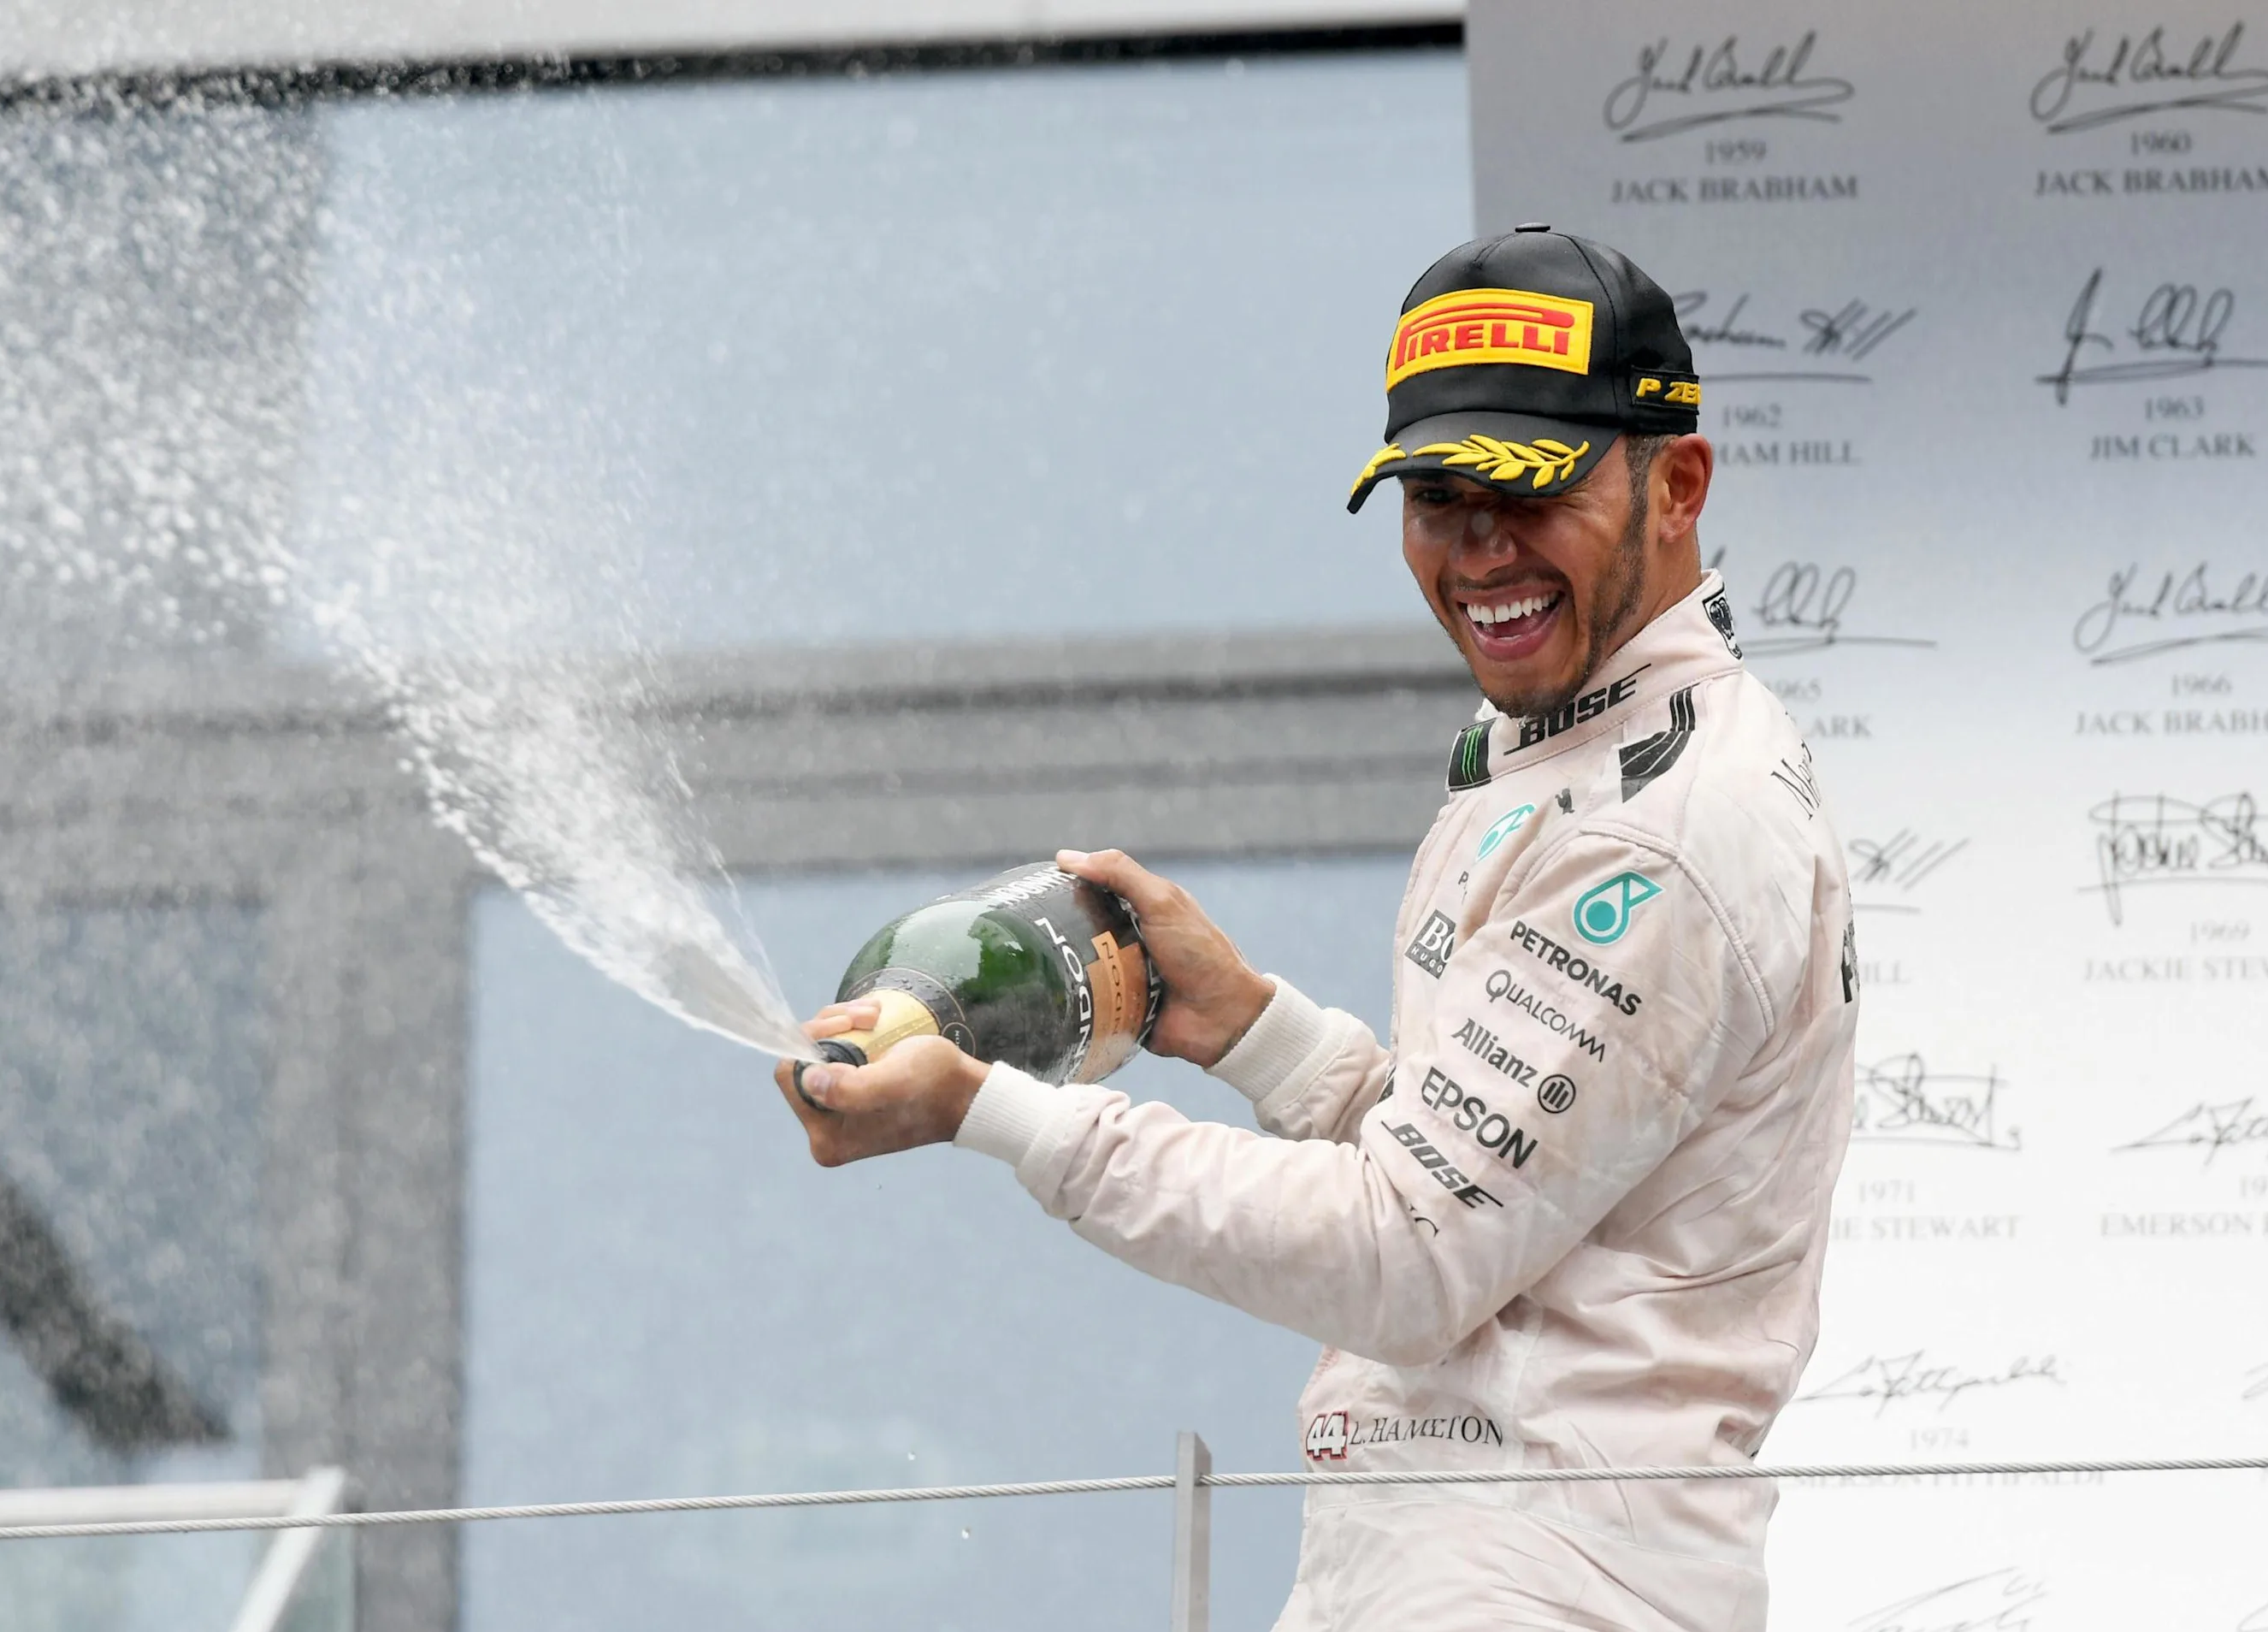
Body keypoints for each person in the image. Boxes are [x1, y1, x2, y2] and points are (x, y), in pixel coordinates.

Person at [771, 224, 1858, 1631]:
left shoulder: (1659, 827)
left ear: (1679, 486)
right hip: (1470, 1554)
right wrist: (1252, 1030)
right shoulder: (1570, 748)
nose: (1481, 552)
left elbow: (1409, 1256)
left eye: (1530, 493)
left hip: (1543, 1582)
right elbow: (1486, 1186)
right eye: (1437, 500)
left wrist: (989, 1112)